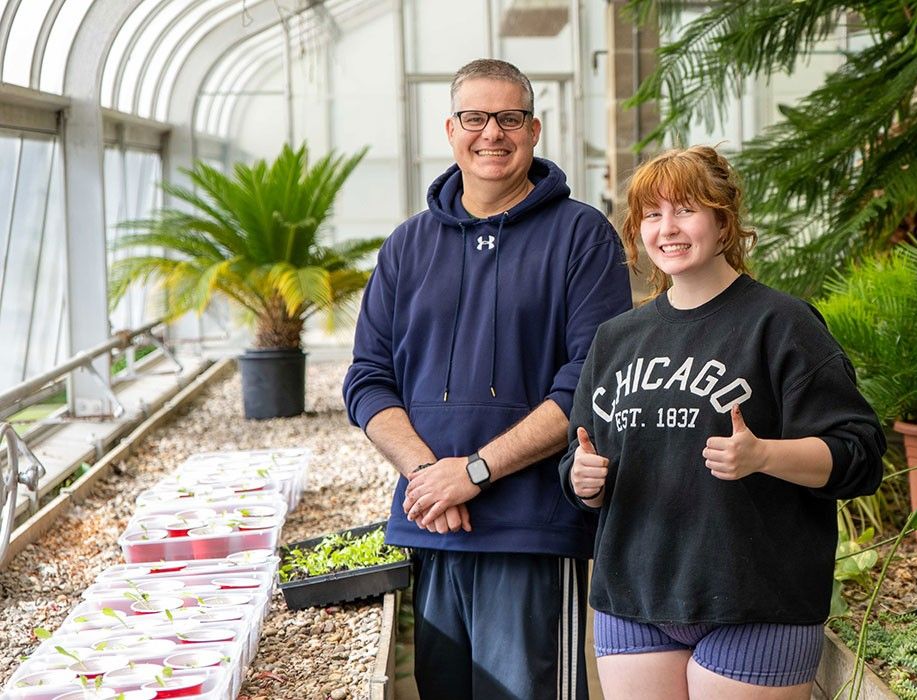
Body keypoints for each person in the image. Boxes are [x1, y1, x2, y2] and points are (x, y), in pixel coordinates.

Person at [343, 58, 631, 700]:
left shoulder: (582, 236)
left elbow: (591, 382)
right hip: (433, 523)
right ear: (451, 129)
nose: (491, 133)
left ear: (533, 130)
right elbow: (367, 379)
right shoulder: (407, 245)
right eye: (475, 117)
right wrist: (428, 475)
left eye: (508, 118)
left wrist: (473, 471)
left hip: (531, 529)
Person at [560, 146, 885, 700]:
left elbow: (861, 455)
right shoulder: (617, 338)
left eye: (685, 209)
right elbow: (581, 458)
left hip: (757, 602)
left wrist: (764, 457)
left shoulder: (781, 323)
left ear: (723, 219)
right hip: (635, 600)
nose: (668, 229)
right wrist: (580, 481)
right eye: (652, 215)